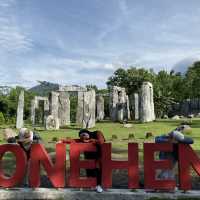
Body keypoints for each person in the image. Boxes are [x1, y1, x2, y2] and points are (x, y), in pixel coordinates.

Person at [78, 129, 105, 193]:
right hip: (89, 156)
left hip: (99, 155)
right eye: (81, 136)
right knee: (89, 170)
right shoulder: (83, 139)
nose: (83, 137)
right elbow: (74, 140)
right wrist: (62, 140)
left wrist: (91, 140)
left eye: (84, 135)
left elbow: (101, 141)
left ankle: (99, 185)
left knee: (98, 169)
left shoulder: (97, 133)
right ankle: (91, 184)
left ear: (87, 133)